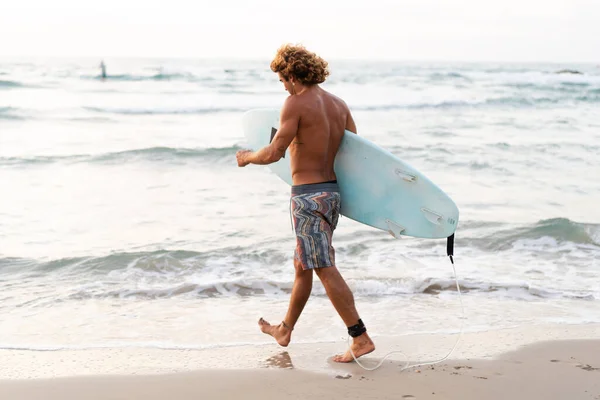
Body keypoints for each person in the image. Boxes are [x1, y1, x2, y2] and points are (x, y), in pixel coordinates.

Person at [236, 44, 375, 363]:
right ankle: (285, 329)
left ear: (292, 75)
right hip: (331, 194)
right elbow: (353, 152)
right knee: (303, 263)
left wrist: (247, 157)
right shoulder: (339, 105)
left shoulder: (294, 104)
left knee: (323, 266)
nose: (282, 86)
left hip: (308, 198)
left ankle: (360, 336)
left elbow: (274, 152)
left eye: (282, 79)